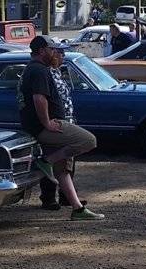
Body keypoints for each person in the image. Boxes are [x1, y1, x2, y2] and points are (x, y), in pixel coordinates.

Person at [18, 36, 105, 221]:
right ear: (42, 51)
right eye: (52, 49)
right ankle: (46, 161)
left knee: (62, 170)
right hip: (49, 126)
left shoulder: (34, 69)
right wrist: (47, 123)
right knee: (89, 141)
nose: (55, 52)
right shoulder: (39, 70)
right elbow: (39, 98)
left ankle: (78, 209)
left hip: (45, 126)